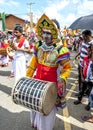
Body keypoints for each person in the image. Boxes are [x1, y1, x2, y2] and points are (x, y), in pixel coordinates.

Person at [26, 14, 72, 130]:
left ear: (55, 34)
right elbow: (33, 63)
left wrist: (63, 78)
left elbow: (67, 68)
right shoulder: (38, 46)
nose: (45, 36)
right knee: (35, 106)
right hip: (37, 83)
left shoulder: (60, 50)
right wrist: (27, 77)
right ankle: (37, 125)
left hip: (50, 87)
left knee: (47, 110)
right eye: (44, 33)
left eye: (49, 33)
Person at [75, 30, 93, 97]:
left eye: (83, 36)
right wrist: (77, 55)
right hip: (81, 63)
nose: (82, 38)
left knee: (87, 80)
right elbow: (81, 50)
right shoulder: (83, 42)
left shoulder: (92, 44)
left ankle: (87, 92)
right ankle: (80, 92)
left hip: (88, 66)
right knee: (80, 78)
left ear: (87, 36)